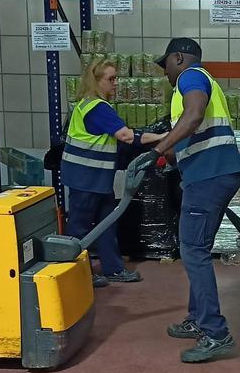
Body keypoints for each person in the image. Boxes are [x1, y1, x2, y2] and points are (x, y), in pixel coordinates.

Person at [127, 38, 240, 363]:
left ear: (179, 58)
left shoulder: (190, 77)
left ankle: (215, 333)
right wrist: (171, 158)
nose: (165, 73)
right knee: (197, 248)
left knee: (193, 250)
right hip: (214, 173)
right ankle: (197, 318)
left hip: (209, 177)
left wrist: (156, 151)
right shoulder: (203, 81)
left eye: (166, 65)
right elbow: (195, 131)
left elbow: (192, 117)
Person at [47, 58, 164, 287]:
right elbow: (127, 137)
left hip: (96, 178)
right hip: (86, 178)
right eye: (111, 79)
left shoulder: (87, 105)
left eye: (116, 78)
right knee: (79, 228)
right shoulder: (97, 108)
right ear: (96, 81)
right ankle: (78, 274)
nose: (116, 83)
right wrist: (163, 137)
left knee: (107, 221)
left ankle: (113, 268)